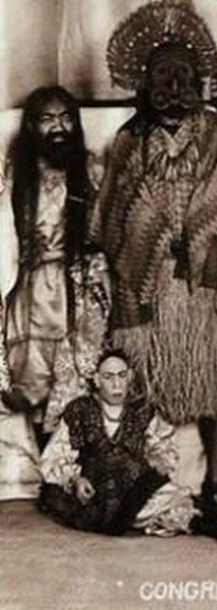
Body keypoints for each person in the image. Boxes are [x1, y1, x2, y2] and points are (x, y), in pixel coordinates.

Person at [94, 0, 217, 514]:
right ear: (145, 80)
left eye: (183, 74)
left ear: (198, 78)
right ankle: (140, 473)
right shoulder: (129, 139)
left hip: (202, 275)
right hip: (148, 277)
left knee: (210, 374)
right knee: (141, 376)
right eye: (162, 74)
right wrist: (153, 235)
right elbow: (115, 208)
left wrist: (200, 237)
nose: (173, 83)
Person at [38, 349, 217, 544]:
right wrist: (75, 479)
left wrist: (157, 461)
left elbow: (164, 447)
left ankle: (208, 527)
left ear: (130, 377)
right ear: (97, 380)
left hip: (132, 487)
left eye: (121, 375)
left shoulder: (142, 410)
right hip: (94, 489)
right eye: (108, 377)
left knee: (163, 497)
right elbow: (56, 453)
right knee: (148, 507)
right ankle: (205, 524)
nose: (116, 384)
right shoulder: (79, 410)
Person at [0, 87, 108, 448]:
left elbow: (106, 225)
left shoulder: (91, 168)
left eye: (65, 118)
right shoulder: (16, 173)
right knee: (34, 375)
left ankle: (79, 471)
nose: (58, 127)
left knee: (80, 375)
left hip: (79, 283)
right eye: (47, 119)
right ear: (31, 126)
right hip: (30, 288)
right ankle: (52, 472)